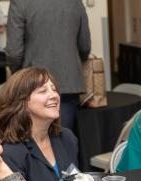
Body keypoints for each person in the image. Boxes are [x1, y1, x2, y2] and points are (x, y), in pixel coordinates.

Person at [6, 0, 91, 131]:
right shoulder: (75, 2)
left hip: (32, 85)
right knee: (63, 139)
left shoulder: (20, 2)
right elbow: (85, 46)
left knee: (34, 141)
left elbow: (14, 52)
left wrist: (18, 75)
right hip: (68, 82)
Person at [0, 67, 79, 181]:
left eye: (54, 89)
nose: (53, 95)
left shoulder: (67, 138)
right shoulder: (11, 153)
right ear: (21, 101)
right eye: (43, 91)